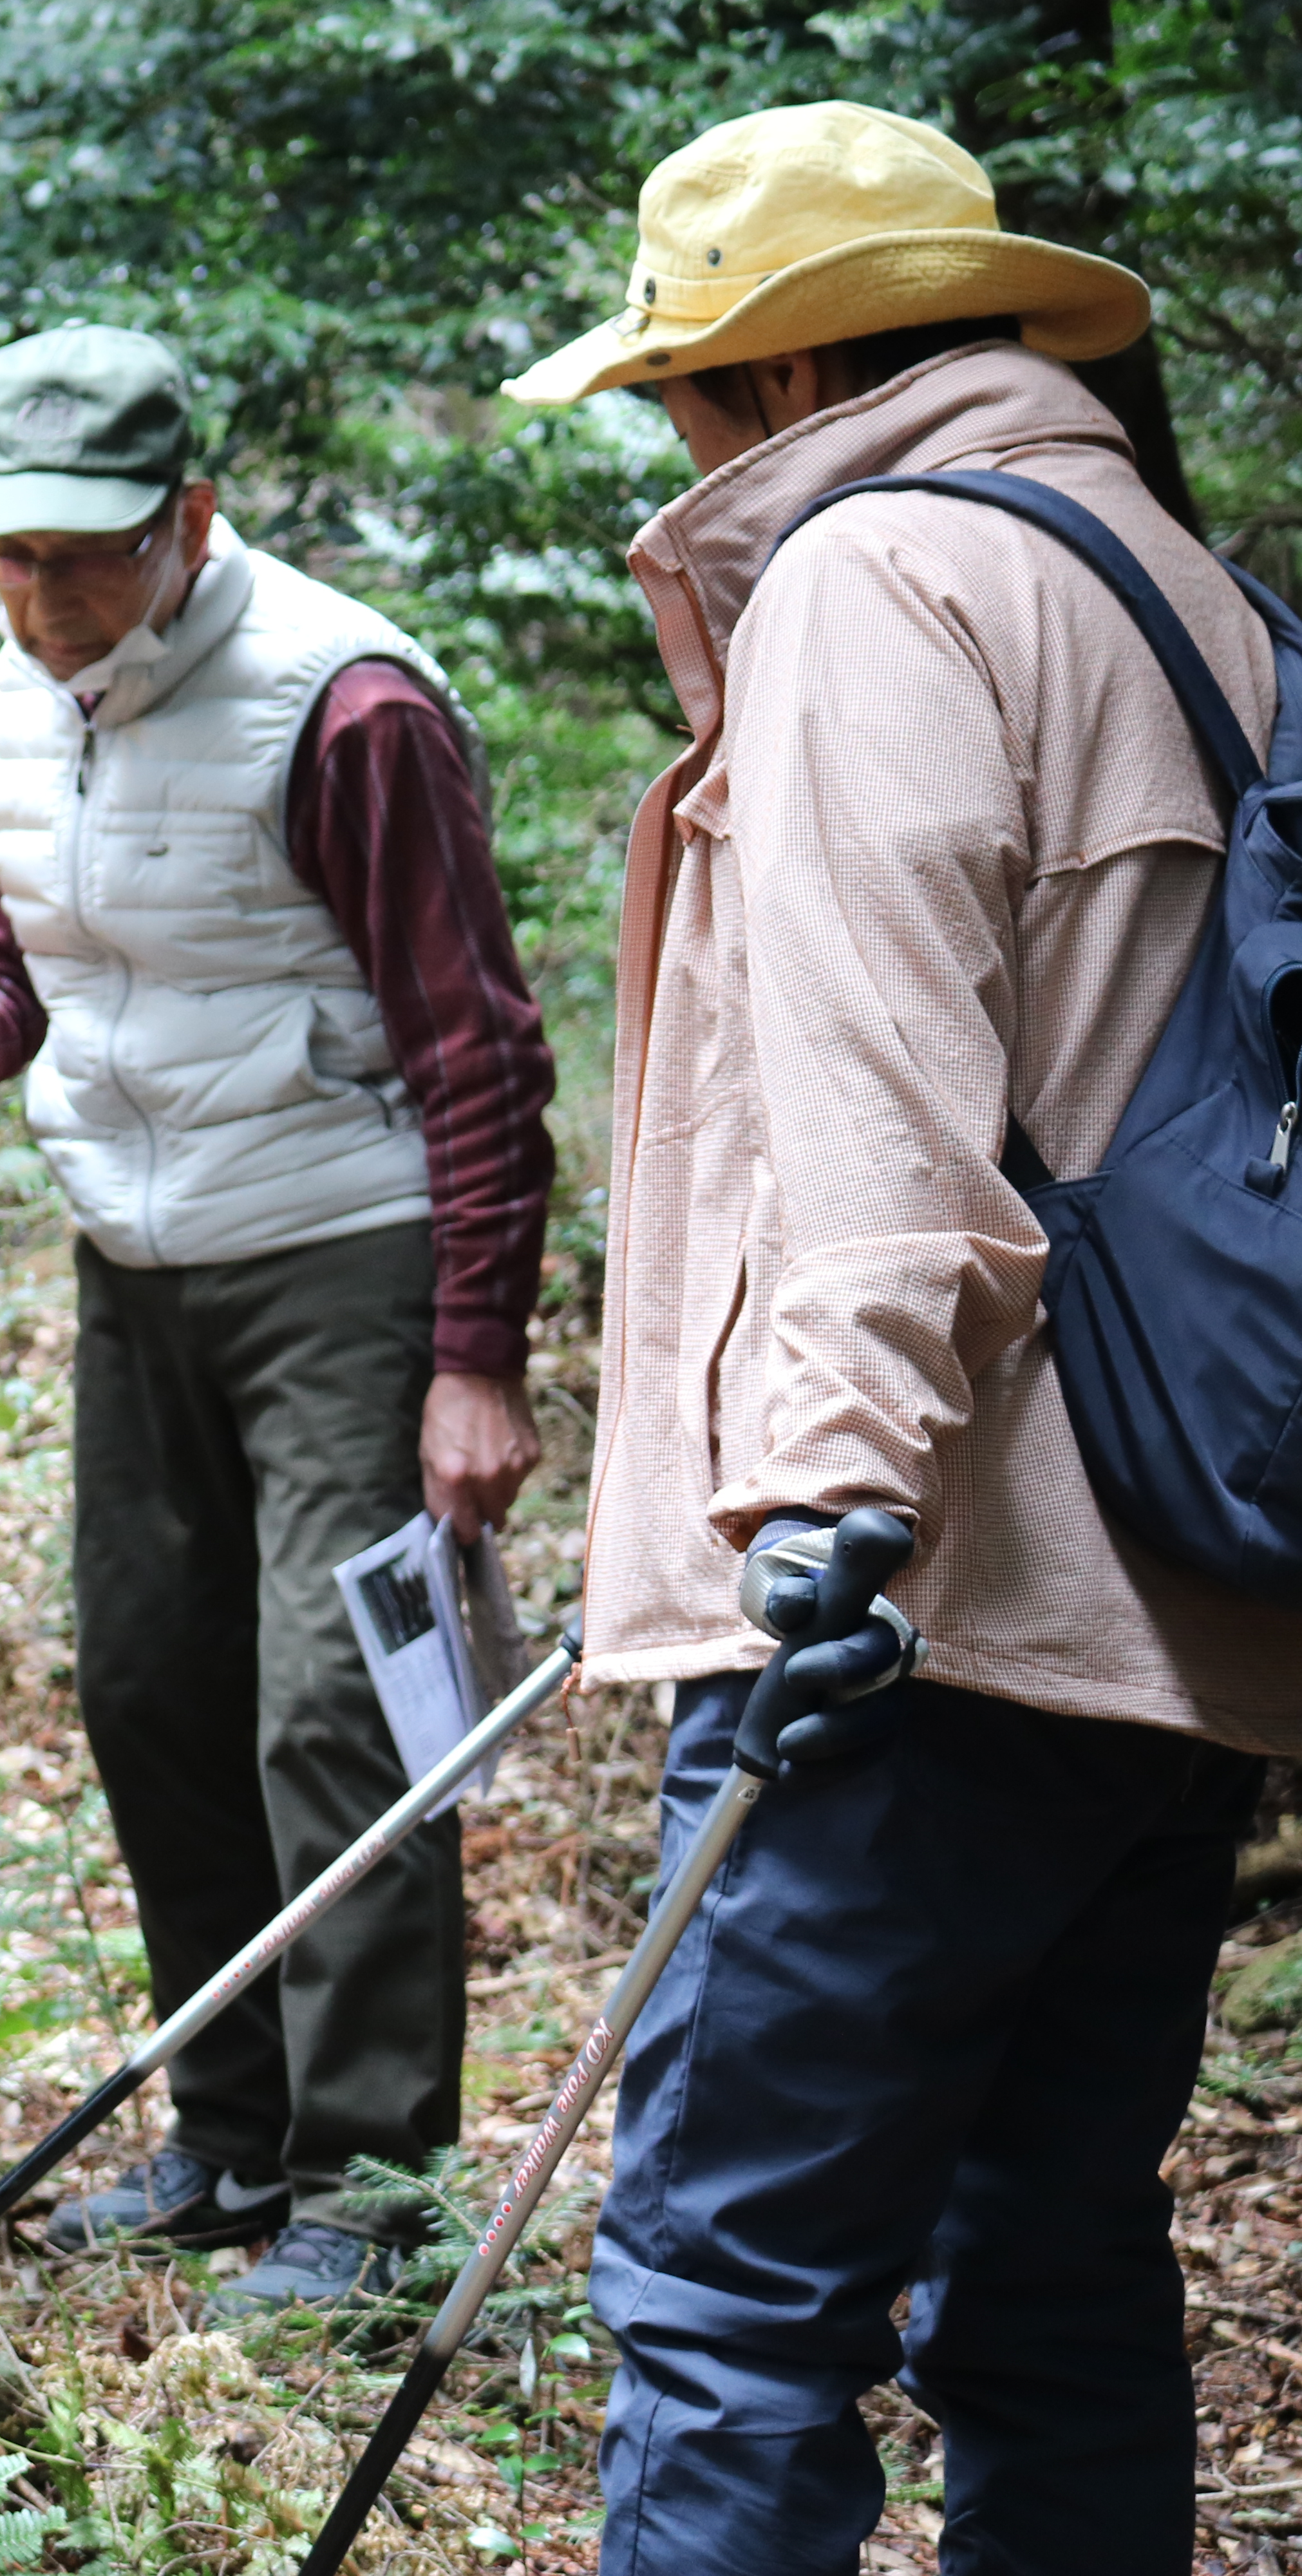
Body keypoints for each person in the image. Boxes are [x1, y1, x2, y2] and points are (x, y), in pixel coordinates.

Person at [502, 100, 1297, 2572]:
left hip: (925, 1601)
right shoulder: (1202, 596)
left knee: (730, 2288)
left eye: (676, 387)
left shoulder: (879, 582)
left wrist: (829, 1501)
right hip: (1196, 1610)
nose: (669, 431)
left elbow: (874, 1093)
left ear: (780, 377)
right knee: (1051, 2268)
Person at [0, 323, 555, 2317]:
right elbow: (7, 954)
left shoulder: (348, 704)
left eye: (81, 556)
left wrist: (479, 1353)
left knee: (335, 1709)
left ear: (189, 519)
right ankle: (227, 2137)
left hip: (343, 1259)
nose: (43, 599)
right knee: (150, 1688)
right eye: (7, 560)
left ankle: (372, 2193)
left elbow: (475, 1043)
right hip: (131, 1261)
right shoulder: (22, 685)